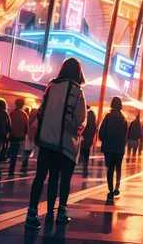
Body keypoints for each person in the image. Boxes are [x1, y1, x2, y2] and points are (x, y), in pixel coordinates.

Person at [25, 58, 87, 229]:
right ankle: (60, 211)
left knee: (41, 176)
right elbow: (80, 121)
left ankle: (31, 213)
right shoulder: (77, 90)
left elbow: (41, 112)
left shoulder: (51, 86)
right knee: (63, 179)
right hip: (65, 144)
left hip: (46, 141)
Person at [98, 96, 128, 200]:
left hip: (108, 147)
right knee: (118, 167)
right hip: (119, 148)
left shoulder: (107, 116)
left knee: (110, 168)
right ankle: (117, 187)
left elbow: (101, 132)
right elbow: (126, 134)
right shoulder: (124, 117)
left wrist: (103, 139)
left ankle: (110, 189)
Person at [7, 99, 28, 177]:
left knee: (13, 152)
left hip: (12, 136)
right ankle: (11, 170)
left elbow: (9, 125)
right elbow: (26, 127)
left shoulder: (12, 113)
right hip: (19, 137)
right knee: (15, 154)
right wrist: (24, 135)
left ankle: (10, 169)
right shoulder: (24, 114)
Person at [21, 107, 39, 174]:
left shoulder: (28, 118)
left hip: (28, 137)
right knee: (36, 152)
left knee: (26, 152)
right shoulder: (37, 120)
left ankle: (24, 165)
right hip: (34, 137)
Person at [80, 106, 96, 176]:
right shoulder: (92, 114)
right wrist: (91, 139)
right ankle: (85, 171)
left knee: (79, 155)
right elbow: (93, 128)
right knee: (86, 156)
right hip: (87, 140)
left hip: (81, 139)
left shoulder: (82, 113)